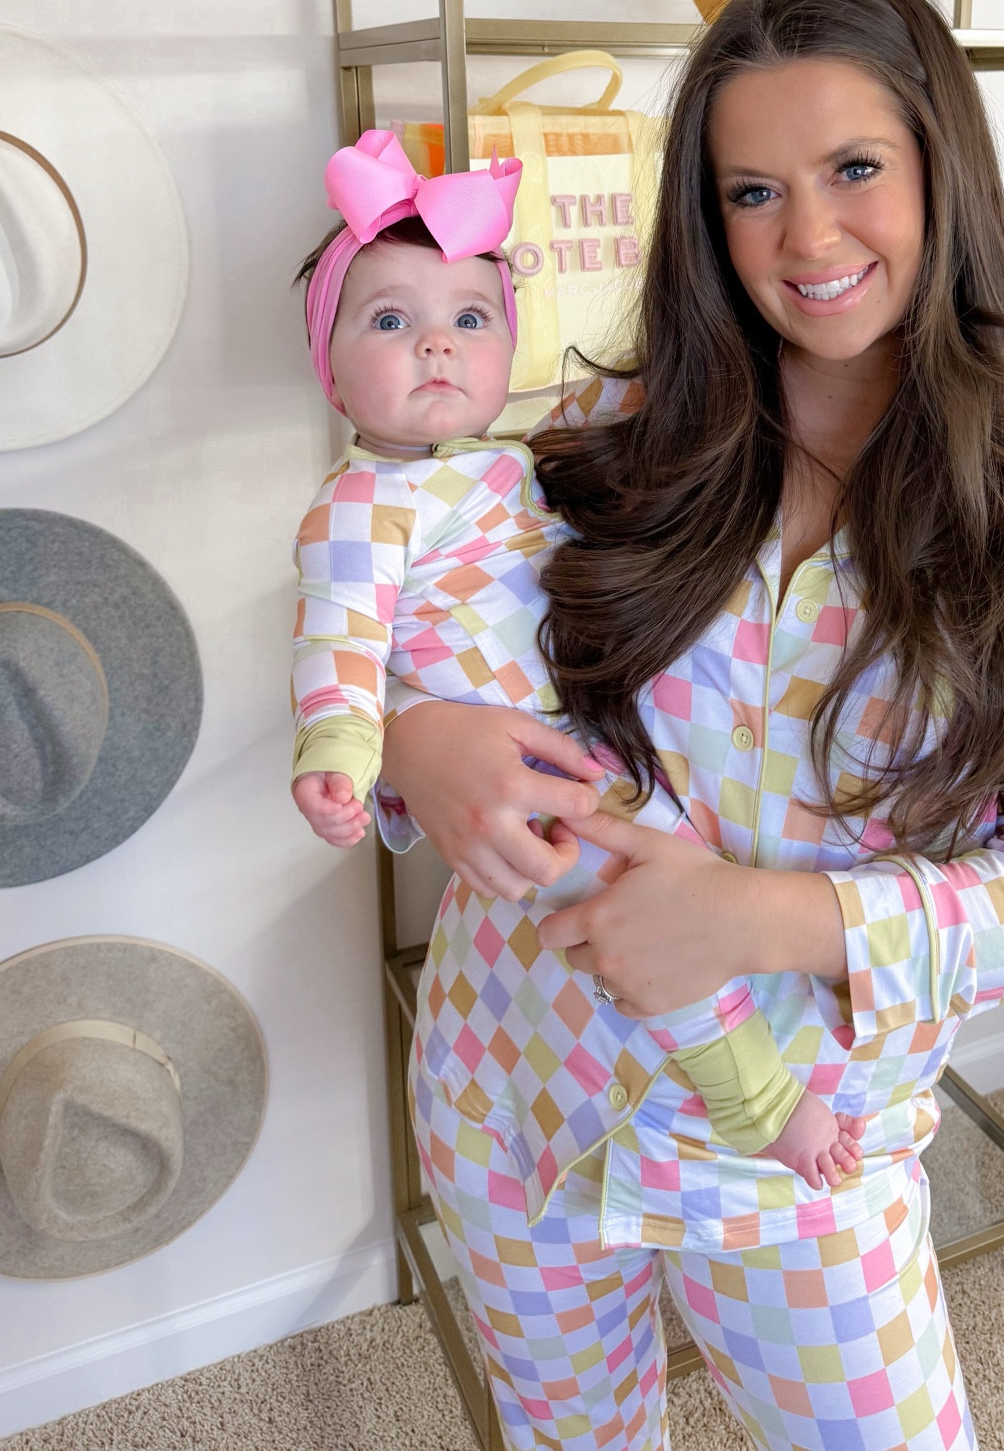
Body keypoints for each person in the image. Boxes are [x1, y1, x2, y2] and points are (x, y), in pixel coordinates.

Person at [385, 0, 1004, 1451]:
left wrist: (760, 920)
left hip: (803, 1153)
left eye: (855, 169)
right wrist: (411, 740)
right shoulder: (597, 444)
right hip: (517, 1092)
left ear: (944, 168)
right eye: (752, 191)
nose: (807, 237)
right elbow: (421, 632)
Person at [289, 129, 865, 1190]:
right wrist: (341, 745)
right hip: (538, 778)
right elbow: (339, 635)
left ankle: (769, 1040)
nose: (435, 346)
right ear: (329, 367)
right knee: (638, 902)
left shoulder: (525, 461)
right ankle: (753, 1090)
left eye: (469, 318)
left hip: (596, 734)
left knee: (665, 878)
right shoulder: (361, 504)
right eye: (390, 320)